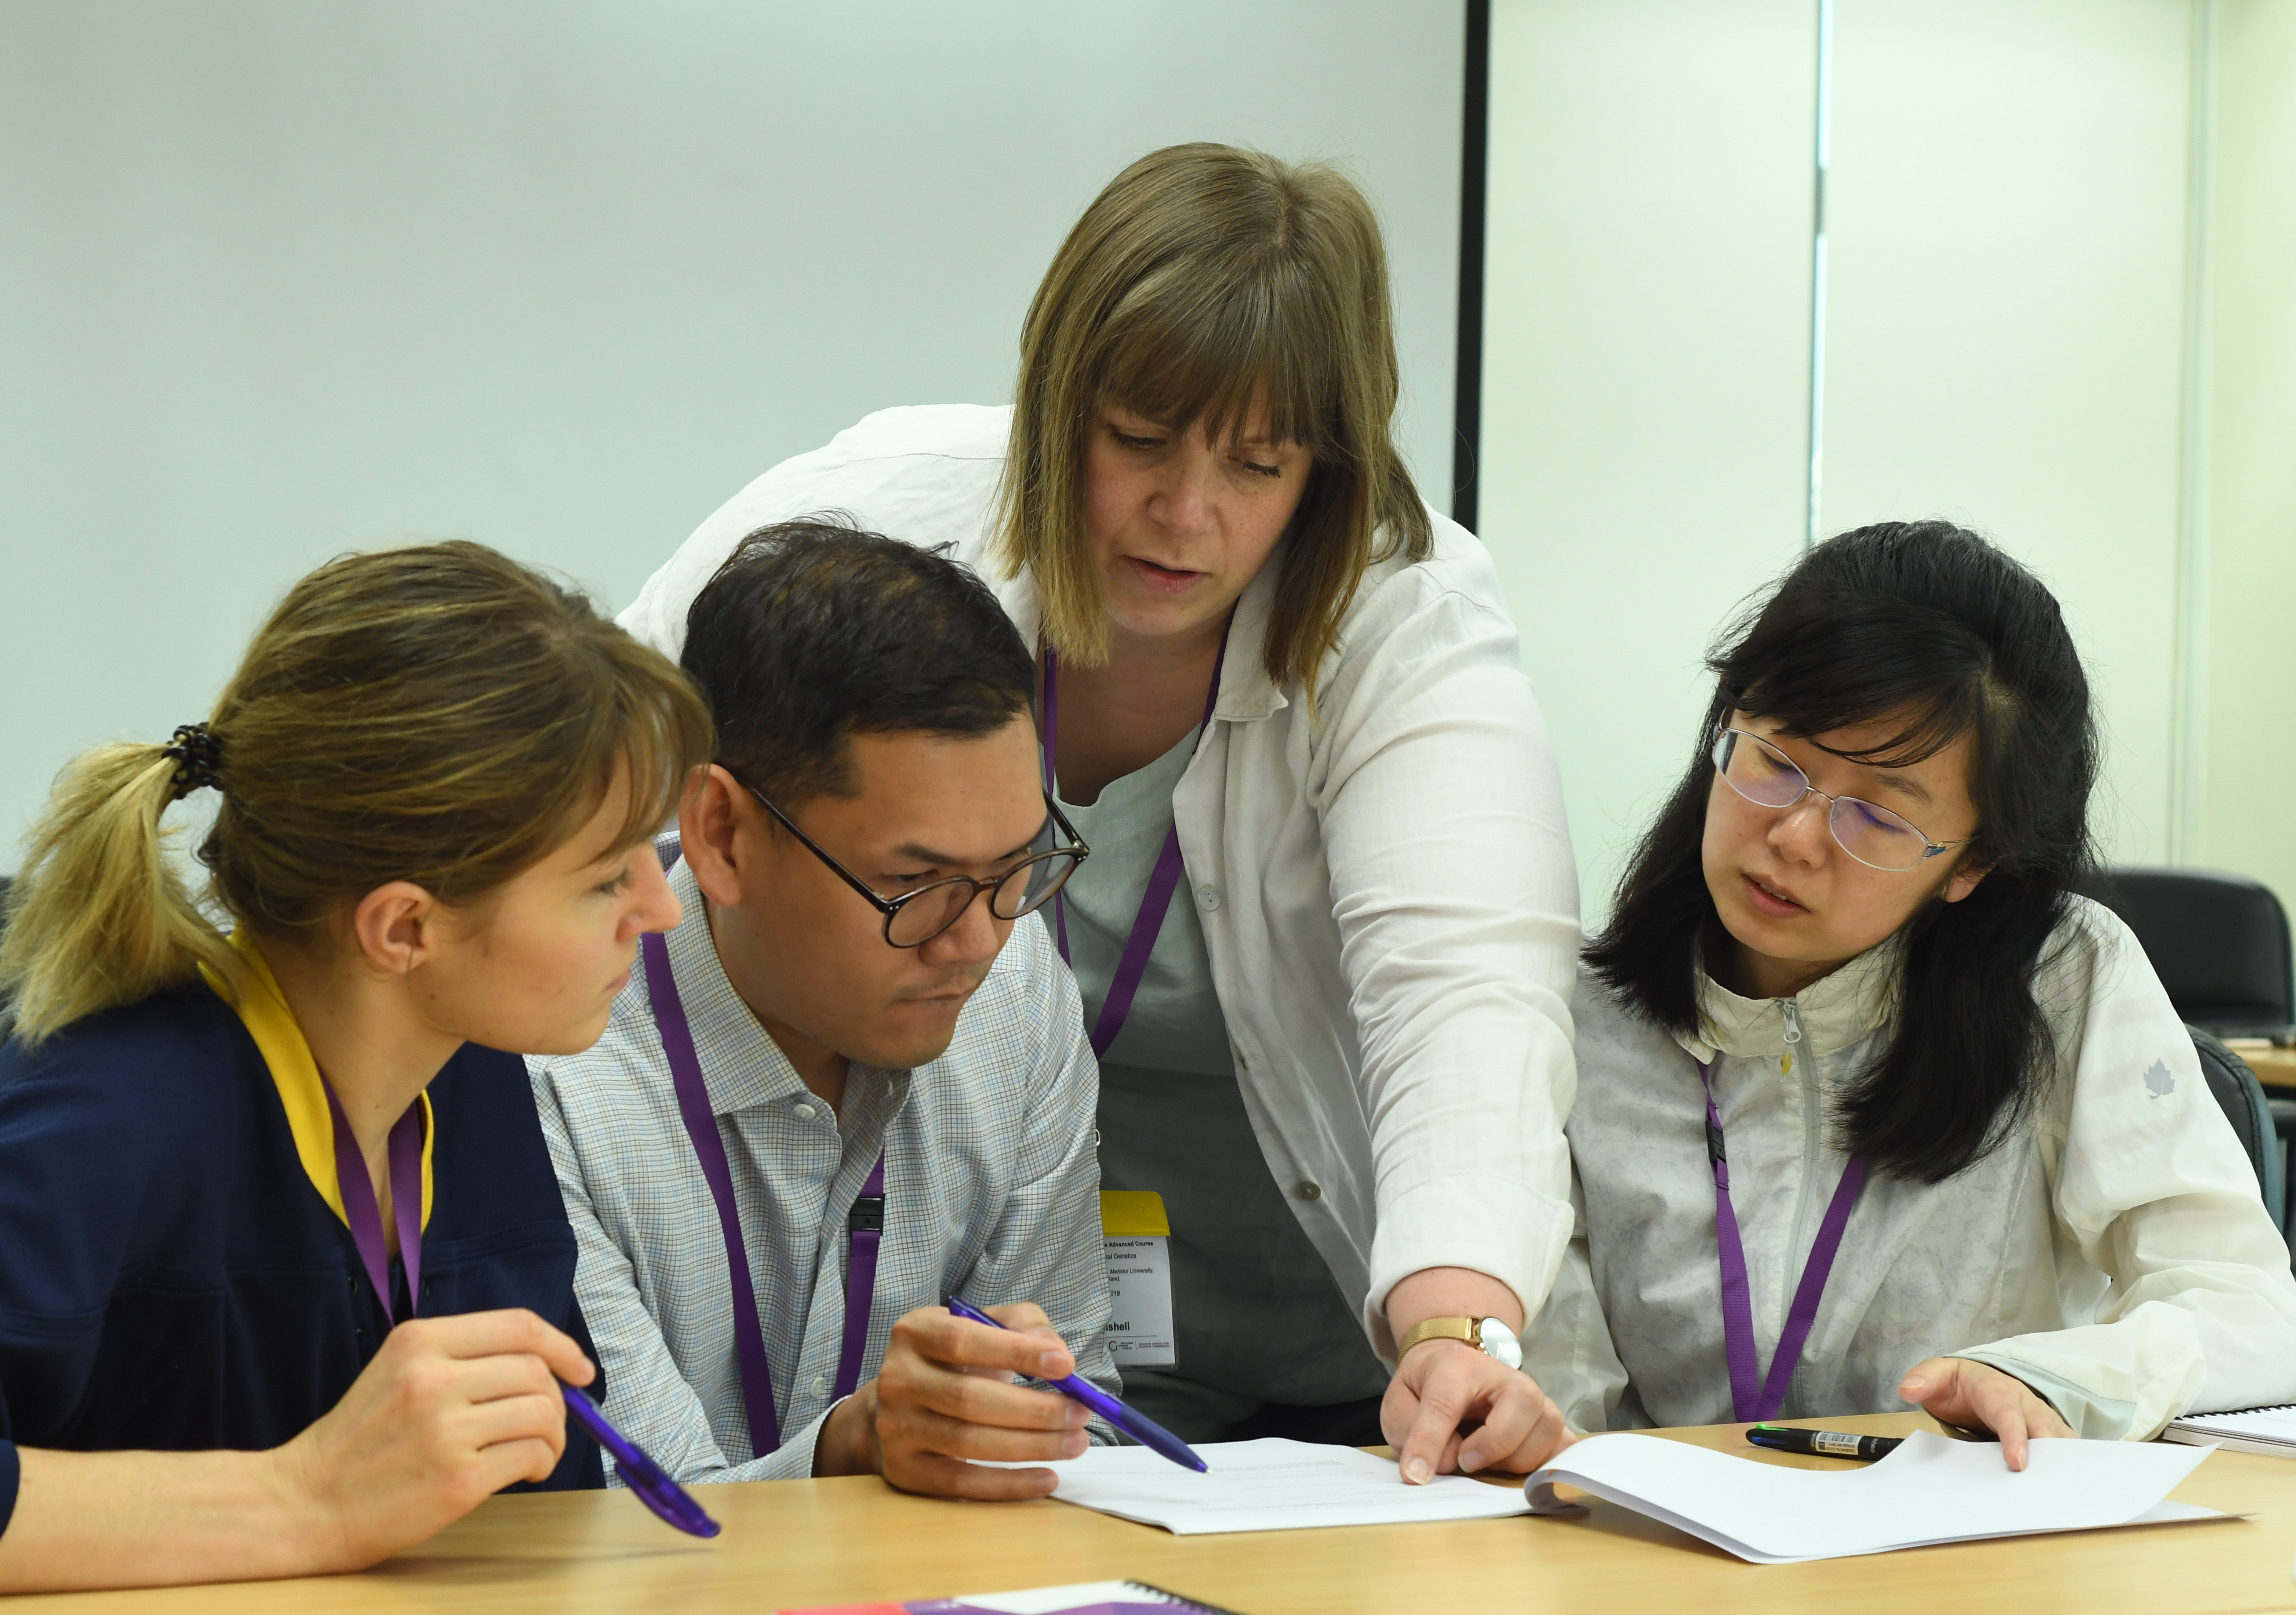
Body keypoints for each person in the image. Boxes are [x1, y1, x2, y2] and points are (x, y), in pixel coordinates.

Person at [621, 143, 1577, 1484]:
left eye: (1258, 464)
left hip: (1352, 1354)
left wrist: (1460, 1324)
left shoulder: (1402, 626)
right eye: (1136, 439)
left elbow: (1469, 994)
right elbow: (584, 772)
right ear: (1058, 400)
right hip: (1015, 1338)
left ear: (1328, 472)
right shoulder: (886, 514)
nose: (1184, 515)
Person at [0, 541, 712, 1605]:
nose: (662, 907)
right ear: (405, 927)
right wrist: (303, 1499)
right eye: (605, 878)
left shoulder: (469, 1081)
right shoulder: (110, 1116)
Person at [1549, 520, 2296, 1467]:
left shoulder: (2060, 978)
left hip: (1962, 1550)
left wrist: (2062, 1378)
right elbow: (1556, 1397)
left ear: (1974, 862)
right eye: (1775, 761)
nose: (1795, 837)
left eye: (1880, 815)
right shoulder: (1574, 1008)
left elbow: (2251, 1307)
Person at [533, 521, 1118, 1501]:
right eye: (915, 882)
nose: (979, 941)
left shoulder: (1016, 1001)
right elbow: (631, 1520)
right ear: (720, 833)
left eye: (1019, 867)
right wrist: (853, 1446)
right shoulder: (554, 1065)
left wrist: (1025, 1425)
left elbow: (1075, 1433)